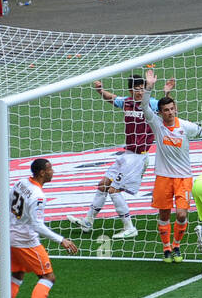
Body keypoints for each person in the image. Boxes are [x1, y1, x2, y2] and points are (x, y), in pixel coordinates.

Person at [67, 70, 174, 240]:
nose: (140, 92)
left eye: (142, 88)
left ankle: (129, 227)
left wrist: (167, 93)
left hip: (139, 156)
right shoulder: (127, 102)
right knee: (103, 184)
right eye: (137, 89)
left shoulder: (151, 104)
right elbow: (112, 98)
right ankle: (88, 221)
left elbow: (170, 112)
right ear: (131, 91)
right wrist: (100, 91)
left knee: (113, 189)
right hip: (127, 154)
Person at [142, 95, 202, 262]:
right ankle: (166, 248)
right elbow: (144, 107)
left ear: (176, 109)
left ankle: (177, 245)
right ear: (160, 112)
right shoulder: (157, 125)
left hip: (183, 178)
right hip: (163, 177)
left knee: (181, 215)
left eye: (172, 109)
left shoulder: (185, 126)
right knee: (164, 214)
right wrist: (149, 88)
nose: (170, 112)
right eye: (166, 110)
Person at [9, 157, 80, 298]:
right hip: (26, 241)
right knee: (48, 277)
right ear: (42, 173)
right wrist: (61, 239)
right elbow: (37, 225)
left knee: (17, 273)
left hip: (9, 235)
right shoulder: (38, 196)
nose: (52, 172)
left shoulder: (21, 182)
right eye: (50, 169)